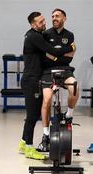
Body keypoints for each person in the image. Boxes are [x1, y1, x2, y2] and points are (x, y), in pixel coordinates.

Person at [18, 11, 75, 160]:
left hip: (33, 79)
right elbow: (52, 50)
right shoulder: (34, 37)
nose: (44, 23)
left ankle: (23, 143)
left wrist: (58, 56)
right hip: (31, 80)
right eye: (40, 22)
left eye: (44, 20)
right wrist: (71, 48)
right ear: (33, 25)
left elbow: (52, 55)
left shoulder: (34, 35)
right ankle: (29, 148)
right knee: (32, 116)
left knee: (32, 115)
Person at [38, 8, 79, 151]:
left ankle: (69, 114)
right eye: (53, 16)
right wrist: (59, 55)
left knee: (74, 87)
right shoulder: (45, 34)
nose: (54, 18)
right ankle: (45, 134)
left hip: (65, 70)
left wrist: (55, 56)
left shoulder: (70, 35)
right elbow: (44, 56)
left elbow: (71, 56)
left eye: (57, 16)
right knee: (47, 99)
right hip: (48, 71)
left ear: (64, 18)